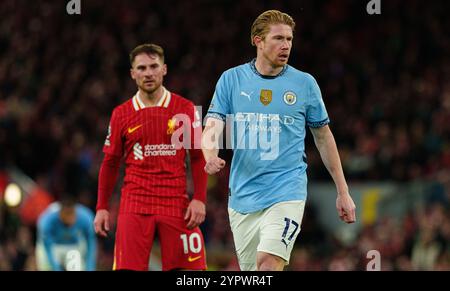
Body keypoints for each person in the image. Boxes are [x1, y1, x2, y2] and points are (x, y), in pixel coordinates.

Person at [201, 10, 356, 271]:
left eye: (289, 39)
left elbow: (323, 136)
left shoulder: (304, 84)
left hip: (287, 190)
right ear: (257, 40)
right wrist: (210, 155)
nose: (286, 46)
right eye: (278, 39)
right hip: (242, 197)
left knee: (269, 262)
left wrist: (343, 191)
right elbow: (213, 126)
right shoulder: (232, 79)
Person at [94, 43, 208, 271]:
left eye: (153, 66)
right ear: (133, 73)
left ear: (164, 69)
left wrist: (200, 199)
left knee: (190, 273)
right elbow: (110, 163)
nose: (148, 73)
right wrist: (101, 207)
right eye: (142, 68)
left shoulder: (185, 108)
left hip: (176, 202)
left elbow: (197, 157)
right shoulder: (121, 113)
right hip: (135, 202)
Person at [36, 195, 97, 271]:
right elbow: (47, 246)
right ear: (60, 212)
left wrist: (90, 266)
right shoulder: (47, 221)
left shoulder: (85, 217)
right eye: (66, 214)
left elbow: (90, 243)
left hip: (73, 246)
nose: (69, 218)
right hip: (53, 246)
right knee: (46, 267)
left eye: (71, 214)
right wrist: (55, 267)